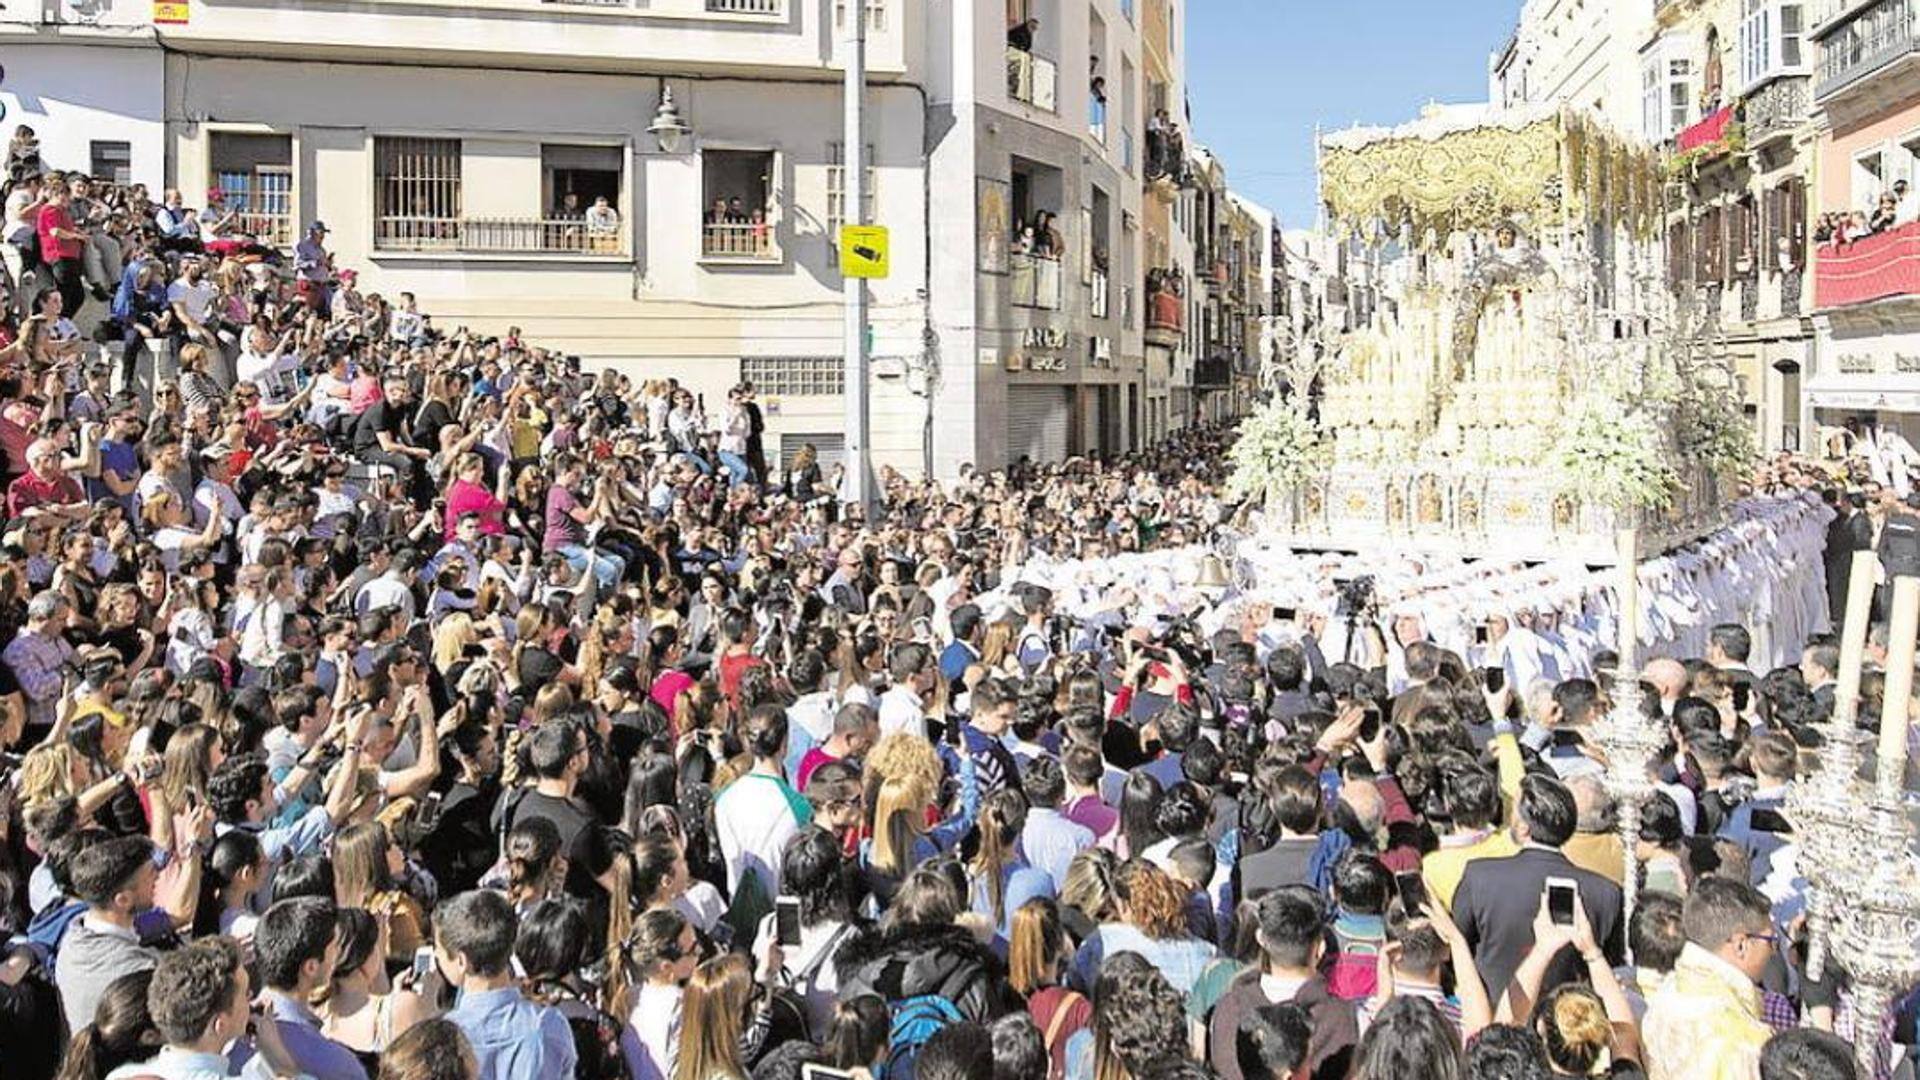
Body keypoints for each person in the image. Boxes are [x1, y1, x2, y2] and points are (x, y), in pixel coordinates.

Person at [1450, 774, 1624, 1003]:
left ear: (1524, 827)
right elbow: (1609, 966)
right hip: (1570, 1024)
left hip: (1497, 1019)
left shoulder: (1480, 877)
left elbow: (1457, 945)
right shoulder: (1605, 892)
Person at [1642, 877, 1777, 1080]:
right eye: (1770, 941)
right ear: (1741, 945)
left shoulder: (1666, 992)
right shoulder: (1744, 1040)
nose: (1774, 951)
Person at [435, 889, 578, 1080]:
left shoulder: (445, 1038)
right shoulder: (549, 1024)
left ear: (461, 961)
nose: (436, 955)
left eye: (439, 949)